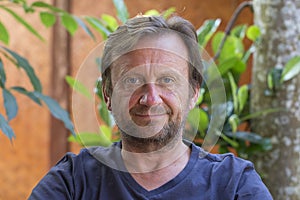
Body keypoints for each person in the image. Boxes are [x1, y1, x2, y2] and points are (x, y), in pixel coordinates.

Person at [29, 15, 273, 199]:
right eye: (132, 80)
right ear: (108, 94)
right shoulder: (73, 182)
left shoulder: (234, 185)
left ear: (193, 93)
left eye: (167, 80)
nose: (151, 98)